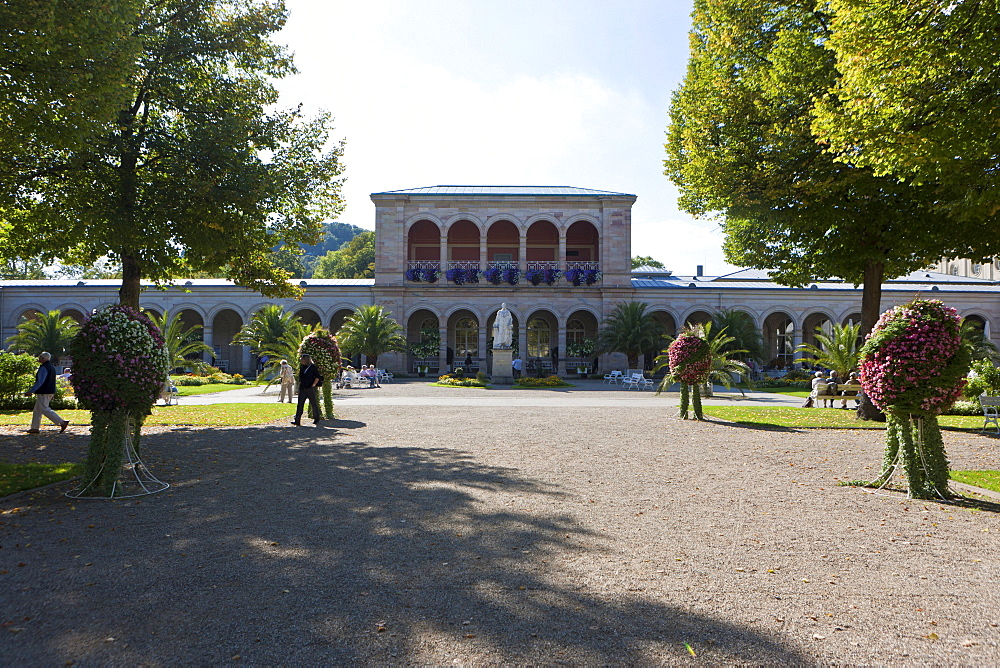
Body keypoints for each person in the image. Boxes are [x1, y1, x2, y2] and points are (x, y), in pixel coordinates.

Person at [25, 352, 69, 434]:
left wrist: (31, 391)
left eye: (40, 357)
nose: (39, 358)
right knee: (37, 410)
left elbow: (40, 381)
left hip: (43, 391)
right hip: (49, 391)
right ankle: (34, 427)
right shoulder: (51, 367)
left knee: (45, 409)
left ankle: (62, 422)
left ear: (43, 358)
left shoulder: (44, 368)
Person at [292, 354, 322, 426]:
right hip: (303, 387)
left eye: (302, 359)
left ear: (306, 360)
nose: (301, 361)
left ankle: (316, 418)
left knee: (313, 403)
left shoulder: (313, 367)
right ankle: (297, 419)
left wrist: (313, 385)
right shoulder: (302, 367)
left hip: (310, 388)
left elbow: (317, 377)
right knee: (300, 404)